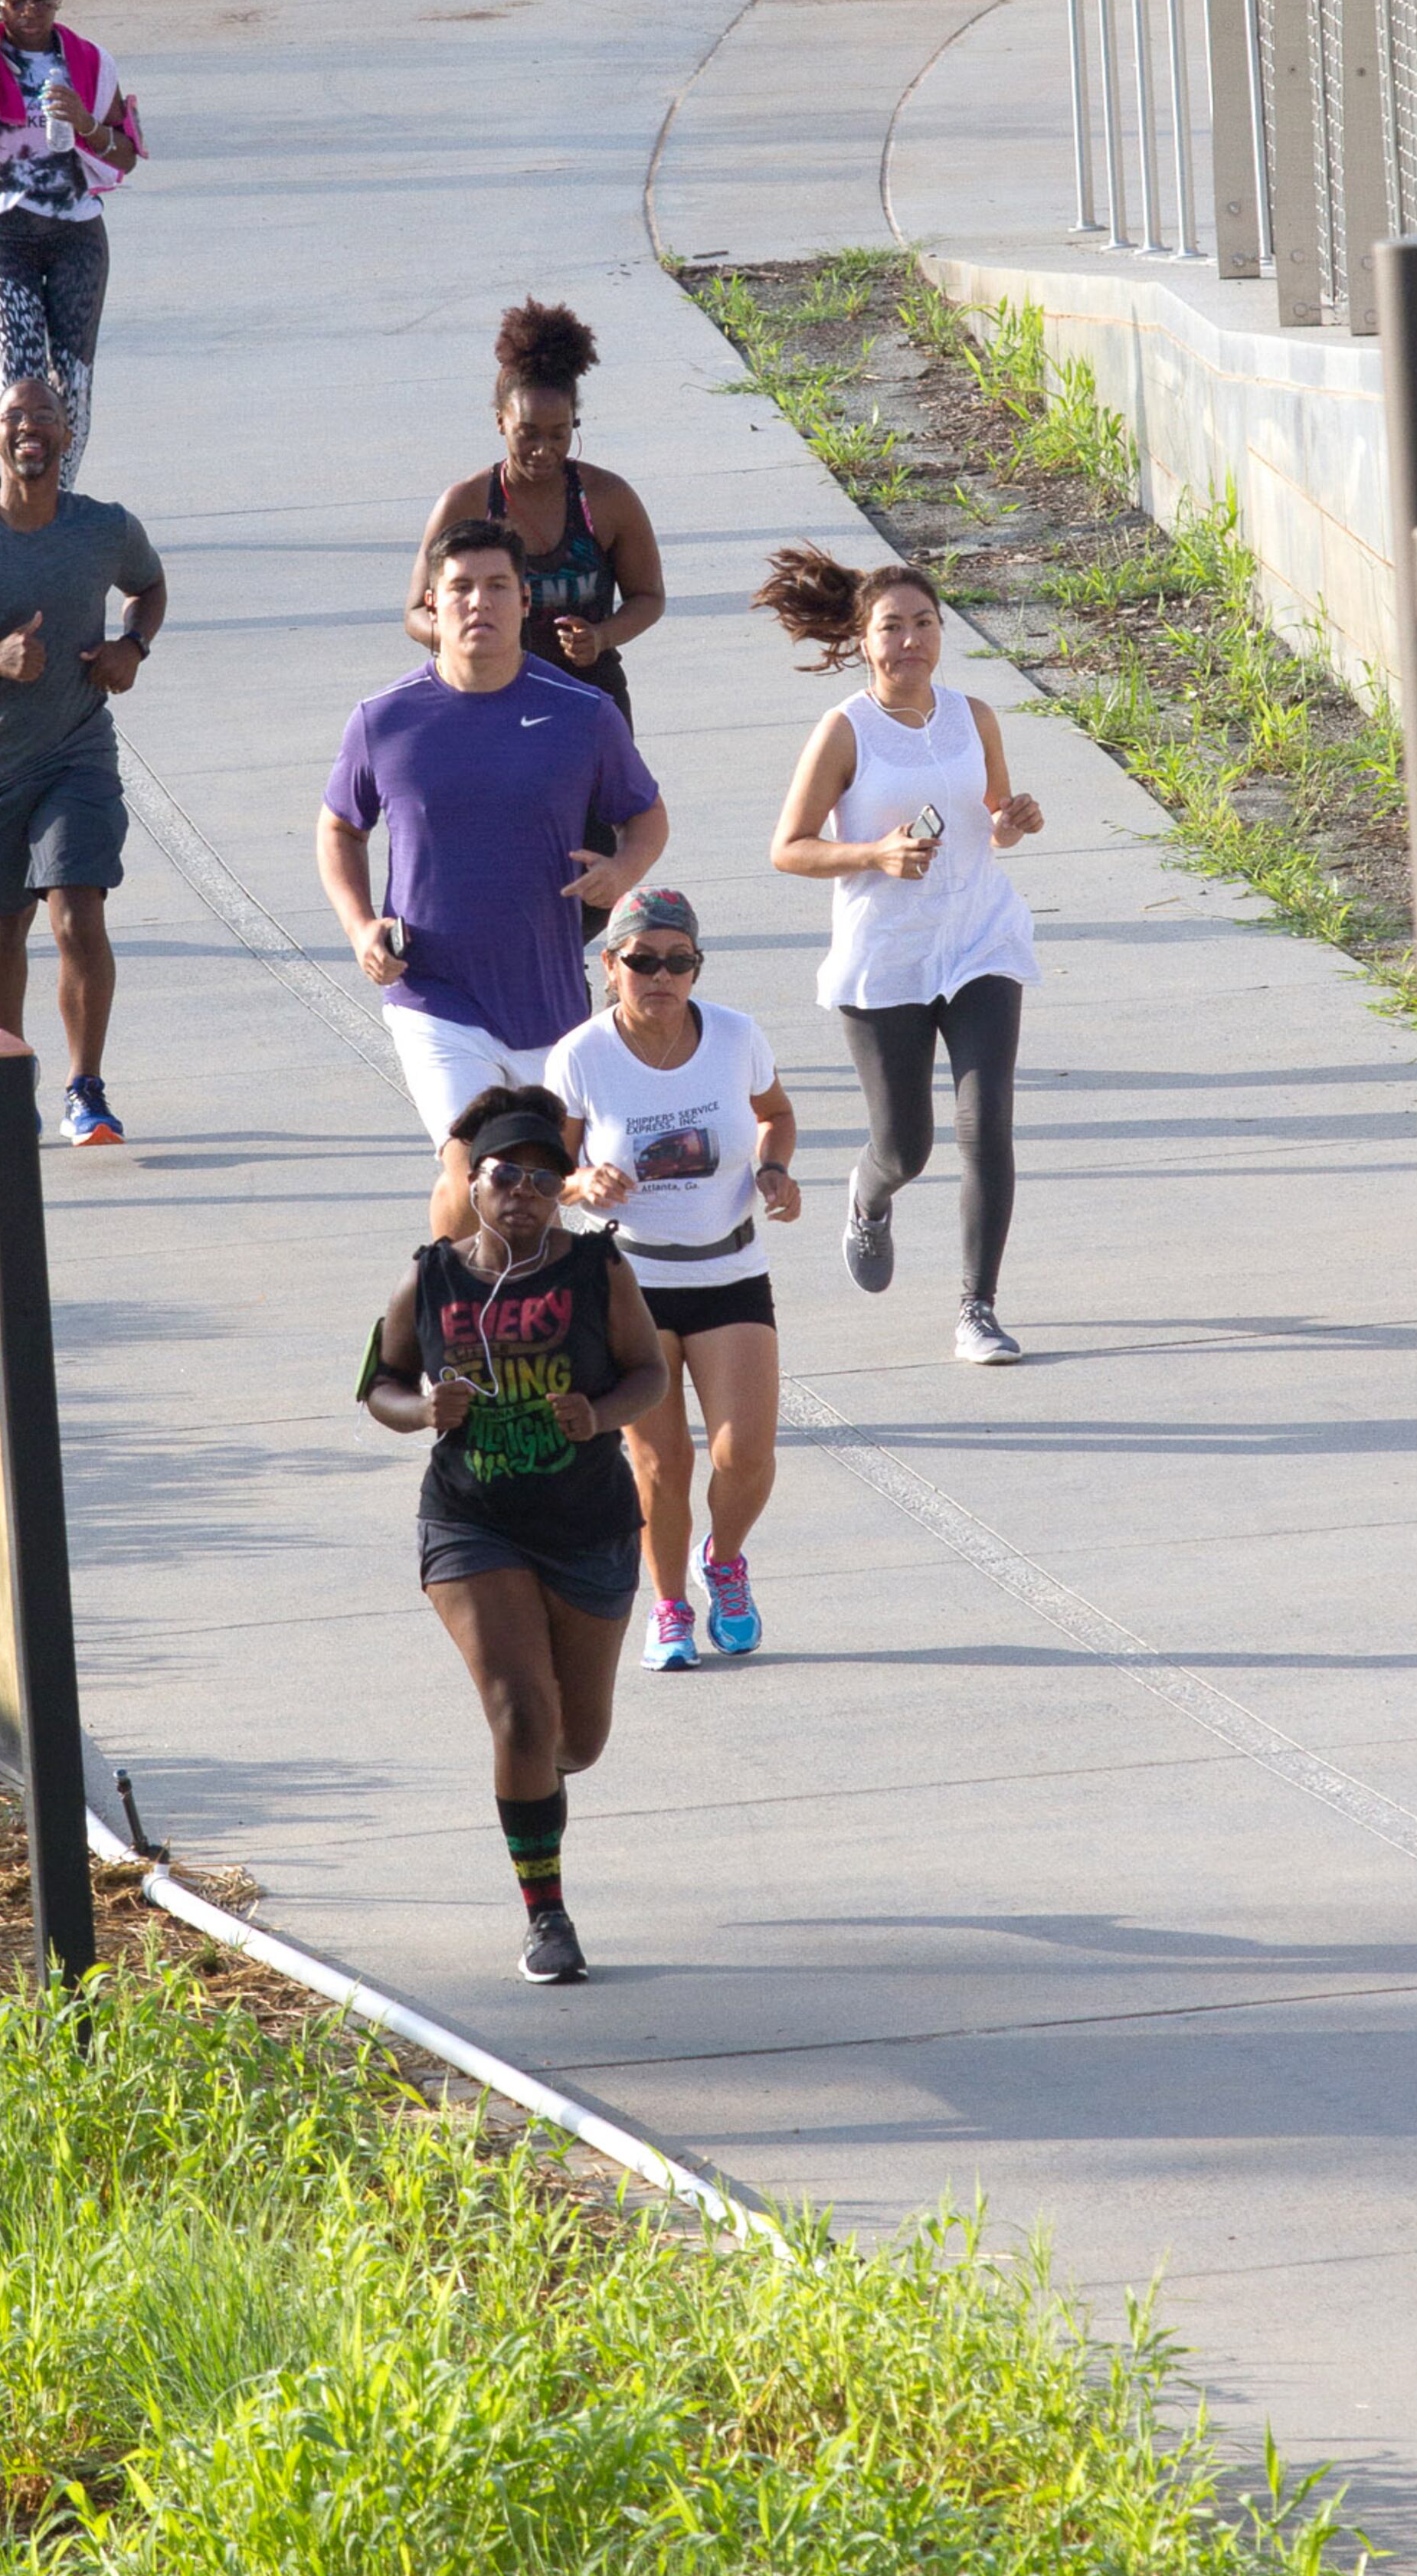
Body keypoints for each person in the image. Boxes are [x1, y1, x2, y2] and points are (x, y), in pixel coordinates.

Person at [357, 1084, 668, 1983]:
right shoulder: (431, 1274)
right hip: (470, 1521)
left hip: (588, 1528)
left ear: (561, 1189)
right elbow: (379, 1383)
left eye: (543, 1178)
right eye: (507, 1177)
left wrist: (598, 1413)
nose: (524, 1193)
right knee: (520, 1713)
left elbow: (649, 1373)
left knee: (575, 1740)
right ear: (476, 1182)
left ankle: (540, 1780)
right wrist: (421, 1411)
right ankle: (547, 1919)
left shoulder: (598, 1272)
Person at [758, 545, 1044, 1370]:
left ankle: (977, 1309)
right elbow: (789, 848)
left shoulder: (973, 716)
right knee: (907, 1146)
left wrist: (1011, 823)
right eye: (892, 627)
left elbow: (988, 820)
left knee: (985, 1123)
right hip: (887, 959)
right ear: (863, 638)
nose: (910, 641)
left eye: (925, 624)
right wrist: (874, 854)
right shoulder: (846, 731)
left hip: (980, 940)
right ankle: (869, 1195)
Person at [319, 513, 667, 1153]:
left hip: (549, 1000)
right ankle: (444, 1258)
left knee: (558, 1183)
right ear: (432, 603)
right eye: (460, 587)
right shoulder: (384, 721)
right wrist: (359, 925)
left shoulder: (583, 715)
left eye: (498, 586)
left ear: (525, 599)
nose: (479, 601)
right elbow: (341, 827)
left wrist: (621, 873)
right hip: (432, 995)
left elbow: (645, 815)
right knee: (472, 1164)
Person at [0, 376, 168, 1150]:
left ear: (66, 436)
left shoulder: (104, 528)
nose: (31, 429)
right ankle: (7, 1068)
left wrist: (131, 647)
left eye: (45, 417)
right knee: (1, 923)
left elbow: (148, 586)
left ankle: (87, 1091)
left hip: (77, 749)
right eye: (15, 417)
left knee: (79, 912)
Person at [548, 885, 798, 1674]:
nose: (661, 976)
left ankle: (723, 1561)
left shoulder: (735, 1036)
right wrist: (579, 1185)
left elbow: (775, 1114)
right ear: (609, 965)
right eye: (643, 961)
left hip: (729, 1268)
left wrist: (774, 1170)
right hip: (630, 1279)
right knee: (660, 1464)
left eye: (679, 962)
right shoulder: (582, 1055)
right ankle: (667, 1607)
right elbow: (545, 1166)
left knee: (744, 1452)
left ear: (696, 967)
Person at [402, 297, 665, 728]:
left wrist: (600, 637)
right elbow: (415, 614)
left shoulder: (607, 498)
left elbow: (649, 597)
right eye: (527, 433)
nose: (544, 450)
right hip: (488, 700)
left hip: (589, 699)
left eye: (559, 434)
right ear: (501, 421)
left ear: (574, 424)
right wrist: (477, 643)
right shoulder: (466, 504)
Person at [0, 0, 141, 483]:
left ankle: (58, 498)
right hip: (6, 238)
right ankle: (19, 500)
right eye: (16, 1)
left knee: (72, 388)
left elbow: (124, 155)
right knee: (20, 389)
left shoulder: (90, 61)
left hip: (76, 236)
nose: (30, 12)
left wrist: (84, 123)